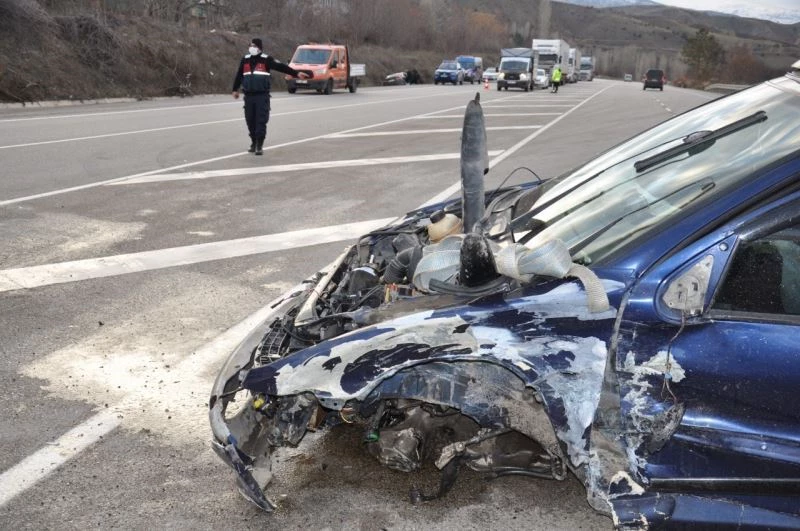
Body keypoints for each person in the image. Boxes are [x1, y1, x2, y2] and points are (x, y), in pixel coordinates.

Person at [232, 38, 313, 155]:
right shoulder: (245, 59)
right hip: (249, 96)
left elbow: (281, 67)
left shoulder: (266, 59)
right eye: (250, 45)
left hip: (262, 96)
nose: (251, 47)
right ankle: (253, 142)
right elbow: (239, 74)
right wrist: (235, 89)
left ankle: (259, 145)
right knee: (250, 120)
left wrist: (296, 73)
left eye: (254, 45)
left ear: (259, 47)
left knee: (260, 121)